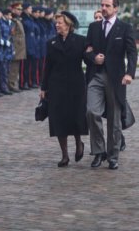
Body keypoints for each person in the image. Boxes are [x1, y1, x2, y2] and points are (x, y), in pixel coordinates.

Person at [85, 0, 137, 170]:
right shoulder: (93, 27)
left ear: (116, 8)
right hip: (96, 76)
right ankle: (99, 151)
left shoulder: (124, 28)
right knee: (92, 111)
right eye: (102, 5)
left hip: (116, 79)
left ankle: (113, 156)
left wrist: (130, 73)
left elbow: (132, 52)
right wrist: (93, 57)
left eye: (107, 5)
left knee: (114, 120)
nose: (103, 8)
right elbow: (86, 51)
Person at [39, 11, 88, 167]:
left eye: (60, 22)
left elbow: (88, 59)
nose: (57, 25)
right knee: (58, 119)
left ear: (68, 25)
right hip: (57, 85)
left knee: (75, 117)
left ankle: (79, 143)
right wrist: (44, 87)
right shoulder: (51, 43)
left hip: (75, 84)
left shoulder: (81, 41)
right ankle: (64, 155)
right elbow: (48, 67)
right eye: (56, 23)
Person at [8, 2, 26, 93]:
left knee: (16, 66)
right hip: (16, 46)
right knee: (13, 67)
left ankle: (13, 83)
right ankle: (11, 84)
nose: (20, 11)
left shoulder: (18, 19)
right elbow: (12, 34)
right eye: (18, 9)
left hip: (20, 47)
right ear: (13, 10)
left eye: (21, 9)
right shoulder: (13, 20)